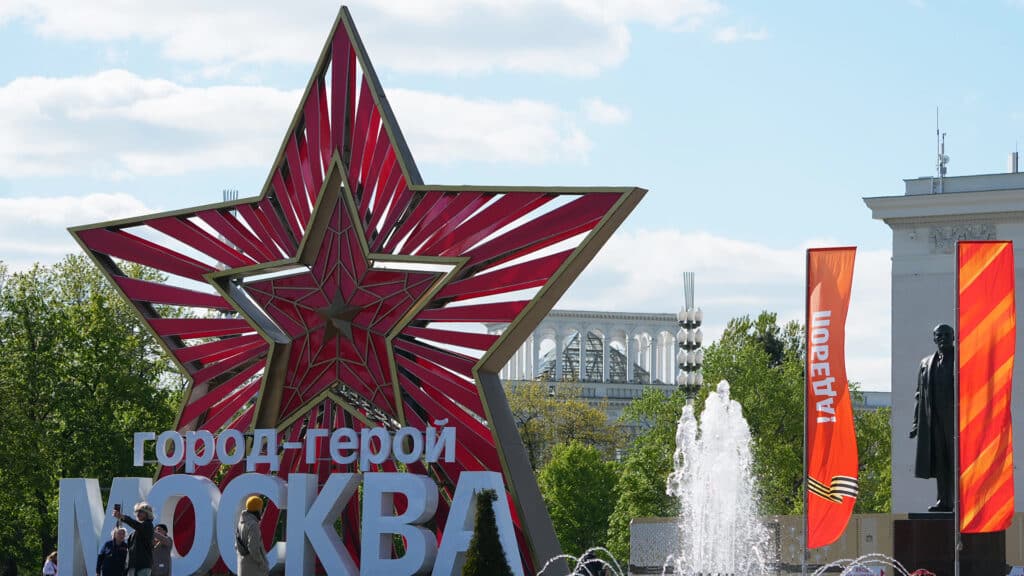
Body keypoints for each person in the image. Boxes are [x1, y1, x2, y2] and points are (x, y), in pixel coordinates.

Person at [910, 323, 955, 512]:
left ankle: (964, 502)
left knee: (958, 461)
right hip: (934, 419)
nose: (943, 337)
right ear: (934, 338)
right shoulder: (926, 363)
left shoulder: (961, 359)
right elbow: (919, 394)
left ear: (953, 337)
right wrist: (916, 422)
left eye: (947, 334)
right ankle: (944, 501)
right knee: (941, 461)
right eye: (939, 335)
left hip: (956, 419)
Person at [114, 502, 154, 576]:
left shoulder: (148, 525)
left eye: (141, 511)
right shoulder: (136, 530)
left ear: (147, 513)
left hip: (142, 566)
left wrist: (123, 517)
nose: (138, 513)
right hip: (133, 566)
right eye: (137, 511)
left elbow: (135, 524)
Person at [235, 496, 268, 576]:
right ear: (257, 509)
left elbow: (236, 546)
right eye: (261, 508)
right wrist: (262, 563)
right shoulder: (253, 525)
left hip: (243, 567)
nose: (261, 511)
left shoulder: (241, 523)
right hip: (254, 569)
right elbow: (253, 548)